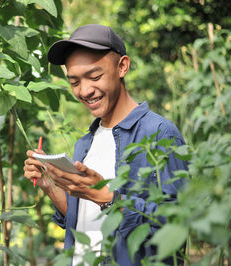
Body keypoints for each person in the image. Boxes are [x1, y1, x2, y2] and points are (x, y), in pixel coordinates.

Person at [23, 24, 188, 265]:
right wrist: (51, 186)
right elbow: (83, 220)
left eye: (95, 76)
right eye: (74, 82)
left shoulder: (159, 134)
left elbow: (178, 226)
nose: (85, 90)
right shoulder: (84, 144)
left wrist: (108, 198)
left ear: (122, 66)